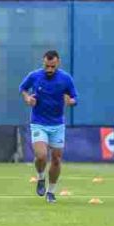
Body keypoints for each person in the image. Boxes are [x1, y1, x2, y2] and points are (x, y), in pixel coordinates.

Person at [19, 50, 78, 204]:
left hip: (57, 124)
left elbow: (74, 97)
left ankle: (51, 192)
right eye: (47, 66)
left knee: (57, 159)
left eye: (52, 66)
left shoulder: (65, 79)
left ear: (58, 63)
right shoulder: (34, 76)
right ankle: (40, 177)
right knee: (41, 155)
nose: (49, 69)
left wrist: (71, 101)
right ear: (43, 62)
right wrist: (27, 98)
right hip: (39, 122)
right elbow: (23, 89)